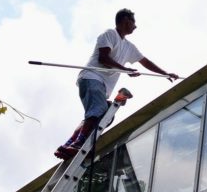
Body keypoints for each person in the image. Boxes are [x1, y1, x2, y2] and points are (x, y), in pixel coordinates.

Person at [56, 8, 178, 158]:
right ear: (126, 20)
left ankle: (68, 144)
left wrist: (165, 73)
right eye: (134, 22)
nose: (135, 26)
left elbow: (145, 62)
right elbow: (103, 59)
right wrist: (125, 69)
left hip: (100, 85)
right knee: (100, 110)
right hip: (92, 77)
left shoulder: (129, 46)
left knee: (102, 114)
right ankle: (77, 145)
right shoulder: (109, 34)